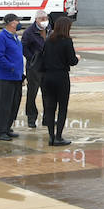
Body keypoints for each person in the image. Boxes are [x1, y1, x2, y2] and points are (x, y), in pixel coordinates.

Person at [39, 16, 79, 146]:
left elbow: (43, 57)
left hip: (47, 77)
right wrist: (77, 58)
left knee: (50, 108)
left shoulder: (48, 40)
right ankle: (59, 136)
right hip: (61, 77)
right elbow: (72, 61)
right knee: (62, 108)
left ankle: (51, 137)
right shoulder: (67, 41)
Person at [0, 14, 25, 141]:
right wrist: (11, 67)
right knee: (4, 105)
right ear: (10, 23)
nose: (19, 23)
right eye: (17, 21)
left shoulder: (15, 37)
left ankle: (7, 128)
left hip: (16, 77)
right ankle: (0, 131)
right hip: (5, 77)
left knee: (14, 104)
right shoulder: (2, 37)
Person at [20, 10, 49, 128]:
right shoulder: (29, 32)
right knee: (32, 93)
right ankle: (31, 118)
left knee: (48, 94)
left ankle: (48, 118)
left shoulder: (50, 30)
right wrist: (33, 59)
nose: (44, 21)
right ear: (36, 19)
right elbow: (24, 48)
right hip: (34, 68)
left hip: (48, 67)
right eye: (42, 19)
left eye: (45, 18)